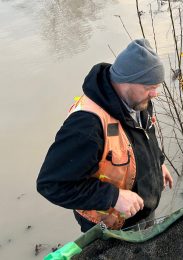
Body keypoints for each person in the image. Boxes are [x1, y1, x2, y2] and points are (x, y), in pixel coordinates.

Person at [37, 39, 174, 232]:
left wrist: (158, 162)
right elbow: (51, 185)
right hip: (112, 228)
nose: (155, 94)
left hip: (142, 214)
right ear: (127, 80)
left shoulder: (138, 100)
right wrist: (114, 197)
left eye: (156, 86)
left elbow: (144, 134)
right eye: (150, 87)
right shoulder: (86, 126)